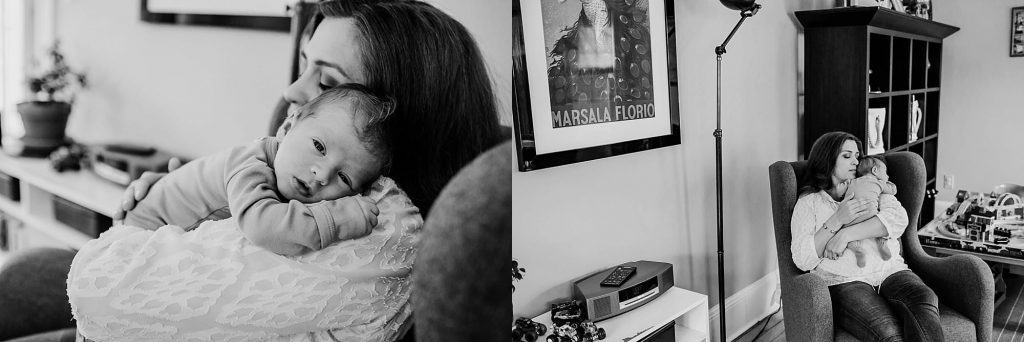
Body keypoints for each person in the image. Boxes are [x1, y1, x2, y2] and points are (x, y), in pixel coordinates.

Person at [0, 1, 505, 341]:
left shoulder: (380, 228)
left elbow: (106, 284)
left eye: (325, 80)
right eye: (304, 65)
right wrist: (186, 211)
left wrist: (151, 234)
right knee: (23, 276)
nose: (292, 91)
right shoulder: (309, 160)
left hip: (120, 307)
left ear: (393, 121)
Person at [123, 85, 391, 256]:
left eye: (344, 178)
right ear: (287, 129)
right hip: (141, 231)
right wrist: (337, 218)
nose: (322, 176)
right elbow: (264, 227)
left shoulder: (280, 166)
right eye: (319, 146)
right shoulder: (253, 165)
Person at [791, 131, 943, 341]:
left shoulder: (871, 186)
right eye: (847, 156)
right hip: (844, 280)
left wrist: (845, 235)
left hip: (890, 270)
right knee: (889, 333)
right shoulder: (810, 202)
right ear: (827, 159)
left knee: (924, 298)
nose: (856, 161)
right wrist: (837, 219)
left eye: (857, 155)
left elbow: (898, 219)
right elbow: (802, 259)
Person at [843, 155, 897, 267]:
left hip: (852, 215)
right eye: (885, 172)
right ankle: (881, 242)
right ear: (875, 170)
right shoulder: (878, 182)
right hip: (870, 214)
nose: (887, 175)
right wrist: (888, 182)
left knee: (847, 232)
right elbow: (892, 190)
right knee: (881, 224)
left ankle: (856, 248)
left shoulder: (853, 182)